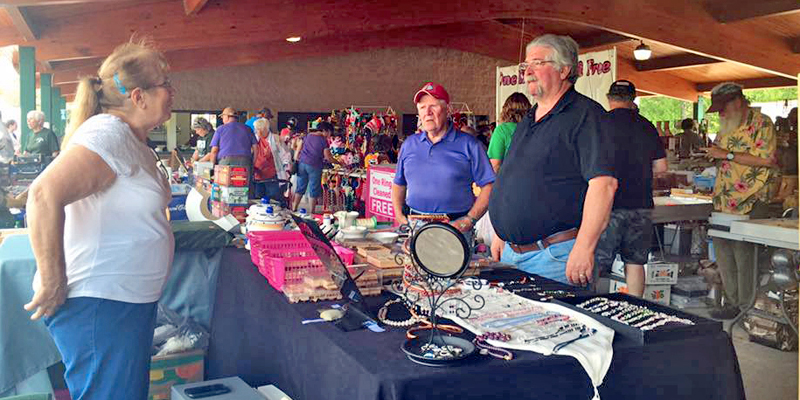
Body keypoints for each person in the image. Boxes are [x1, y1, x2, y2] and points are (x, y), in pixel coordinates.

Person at [24, 41, 175, 400]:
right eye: (165, 84)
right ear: (139, 97)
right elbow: (43, 194)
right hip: (100, 306)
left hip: (118, 305)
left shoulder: (129, 139)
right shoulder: (109, 133)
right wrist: (52, 278)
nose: (172, 92)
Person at [488, 34, 618, 286]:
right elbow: (513, 175)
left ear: (564, 70)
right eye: (526, 65)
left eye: (537, 63)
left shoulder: (587, 116)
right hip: (512, 253)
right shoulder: (529, 118)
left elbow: (604, 185)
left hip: (554, 256)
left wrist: (584, 247)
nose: (527, 72)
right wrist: (501, 234)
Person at [702, 82, 778, 320]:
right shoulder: (727, 125)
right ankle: (732, 302)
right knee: (724, 252)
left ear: (737, 102)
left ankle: (746, 306)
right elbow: (722, 155)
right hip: (725, 198)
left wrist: (727, 154)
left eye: (723, 108)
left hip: (751, 197)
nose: (721, 114)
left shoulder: (762, 123)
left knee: (744, 254)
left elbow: (767, 160)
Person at [391, 82, 495, 236]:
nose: (427, 112)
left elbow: (489, 186)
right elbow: (399, 183)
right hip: (415, 226)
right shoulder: (409, 144)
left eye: (433, 106)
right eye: (422, 107)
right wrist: (399, 215)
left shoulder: (469, 145)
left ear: (448, 110)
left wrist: (469, 220)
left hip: (455, 227)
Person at [594, 80, 667, 297]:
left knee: (596, 261)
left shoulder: (600, 124)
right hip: (640, 204)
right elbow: (662, 167)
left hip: (607, 204)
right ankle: (636, 307)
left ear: (609, 98)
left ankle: (590, 306)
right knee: (635, 262)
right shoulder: (646, 125)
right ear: (632, 99)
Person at [291, 121, 341, 212]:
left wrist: (296, 158)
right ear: (325, 130)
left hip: (302, 163)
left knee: (300, 187)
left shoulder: (307, 136)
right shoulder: (323, 141)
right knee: (313, 189)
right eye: (330, 132)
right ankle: (312, 212)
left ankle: (294, 208)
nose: (330, 135)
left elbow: (298, 147)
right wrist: (339, 162)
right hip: (314, 166)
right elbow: (328, 157)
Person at [487, 92, 532, 172]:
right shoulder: (534, 128)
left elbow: (495, 165)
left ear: (506, 110)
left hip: (510, 177)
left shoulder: (502, 130)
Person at [253, 118, 292, 203]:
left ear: (265, 129)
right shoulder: (254, 139)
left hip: (273, 177)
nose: (257, 131)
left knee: (274, 201)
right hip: (257, 177)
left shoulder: (276, 139)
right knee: (258, 201)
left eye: (259, 129)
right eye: (256, 129)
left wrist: (287, 170)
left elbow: (286, 155)